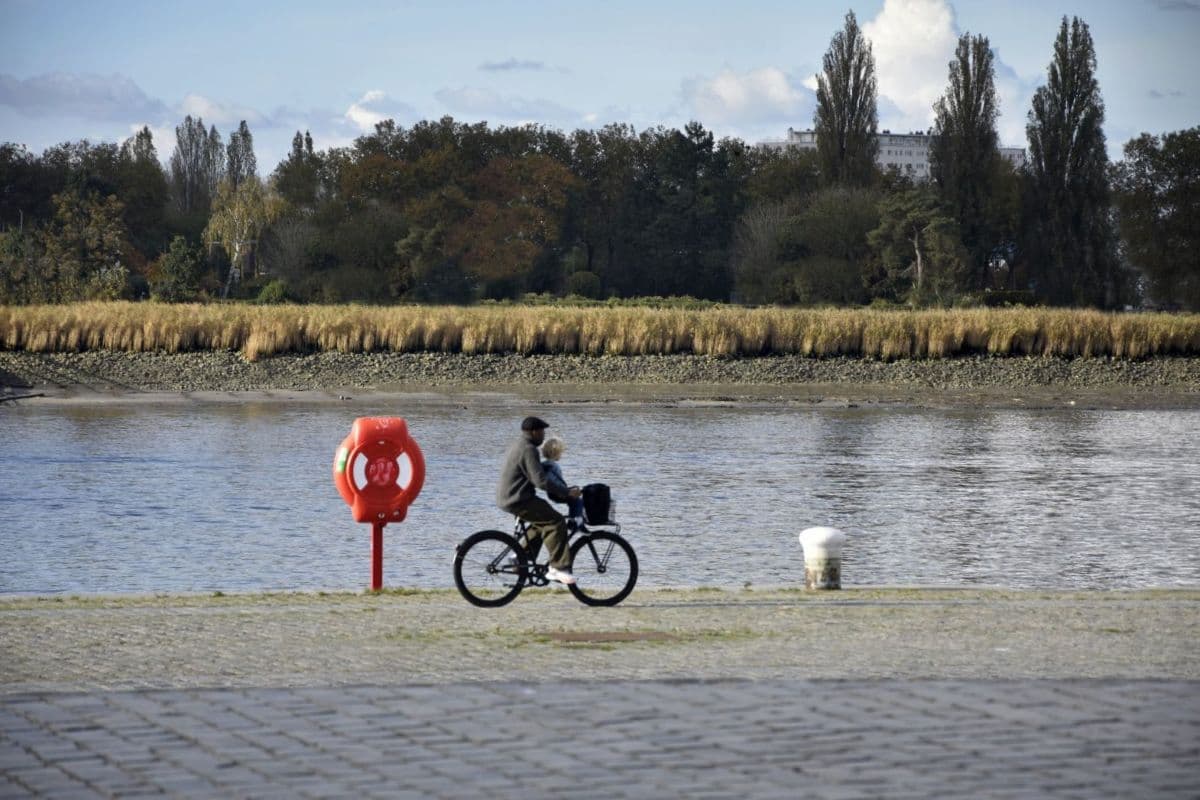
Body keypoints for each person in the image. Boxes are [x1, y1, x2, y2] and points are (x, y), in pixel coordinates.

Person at [496, 416, 582, 585]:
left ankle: (520, 557)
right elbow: (540, 481)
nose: (544, 436)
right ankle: (557, 567)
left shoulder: (518, 445)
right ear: (534, 432)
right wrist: (567, 492)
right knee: (556, 521)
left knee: (541, 522)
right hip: (518, 499)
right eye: (542, 431)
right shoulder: (529, 449)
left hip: (509, 496)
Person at [540, 435, 584, 529]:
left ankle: (573, 520)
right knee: (578, 501)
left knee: (574, 500)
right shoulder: (553, 466)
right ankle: (574, 523)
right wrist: (567, 491)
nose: (561, 455)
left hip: (553, 493)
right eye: (561, 452)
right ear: (556, 453)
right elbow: (553, 481)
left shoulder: (544, 464)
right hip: (557, 493)